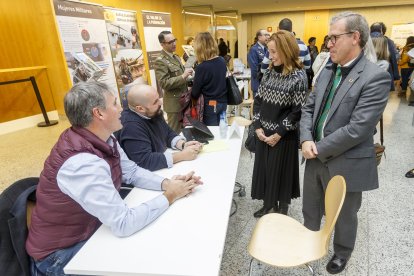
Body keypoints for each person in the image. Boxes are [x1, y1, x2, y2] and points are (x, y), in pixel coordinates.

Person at [26, 81, 202, 275]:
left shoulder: (104, 137)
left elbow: (131, 172)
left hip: (89, 228)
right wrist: (169, 196)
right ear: (98, 113)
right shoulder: (82, 163)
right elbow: (123, 223)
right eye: (115, 103)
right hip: (59, 254)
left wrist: (168, 183)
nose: (122, 109)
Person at [300, 12, 390, 274]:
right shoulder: (328, 68)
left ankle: (342, 252)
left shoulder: (375, 77)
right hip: (313, 153)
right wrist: (306, 138)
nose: (329, 44)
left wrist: (317, 147)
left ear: (355, 38)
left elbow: (359, 129)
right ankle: (311, 241)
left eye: (334, 38)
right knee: (310, 206)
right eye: (329, 38)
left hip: (345, 159)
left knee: (344, 213)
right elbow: (309, 108)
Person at [251, 30, 307, 218]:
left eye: (274, 52)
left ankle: (282, 208)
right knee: (266, 171)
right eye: (269, 51)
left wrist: (279, 133)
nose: (270, 56)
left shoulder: (298, 77)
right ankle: (268, 204)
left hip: (283, 137)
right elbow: (258, 100)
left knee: (281, 174)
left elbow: (296, 111)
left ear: (286, 50)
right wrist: (257, 125)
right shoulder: (268, 72)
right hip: (263, 132)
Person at [118, 84, 203, 171]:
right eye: (155, 102)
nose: (160, 103)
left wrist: (183, 144)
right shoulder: (131, 126)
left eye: (158, 98)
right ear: (140, 109)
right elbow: (144, 161)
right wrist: (181, 156)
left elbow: (167, 132)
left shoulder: (152, 112)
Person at [155, 31, 193, 134]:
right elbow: (164, 83)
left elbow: (182, 78)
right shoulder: (160, 61)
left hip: (184, 100)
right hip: (174, 105)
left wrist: (189, 77)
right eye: (170, 42)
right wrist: (183, 76)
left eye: (174, 40)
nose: (174, 44)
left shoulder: (175, 57)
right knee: (175, 133)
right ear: (162, 44)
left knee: (185, 131)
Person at [191, 32, 228, 126]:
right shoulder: (221, 60)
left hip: (210, 104)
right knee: (221, 129)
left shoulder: (202, 67)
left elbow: (195, 92)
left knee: (211, 132)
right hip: (223, 102)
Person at [370, 22, 400, 92]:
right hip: (385, 71)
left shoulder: (364, 39)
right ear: (383, 31)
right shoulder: (388, 41)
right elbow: (394, 58)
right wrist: (396, 75)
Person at [247, 29, 269, 96]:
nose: (268, 37)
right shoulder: (254, 49)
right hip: (258, 84)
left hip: (266, 85)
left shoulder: (267, 49)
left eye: (268, 35)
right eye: (265, 35)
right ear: (259, 37)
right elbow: (254, 70)